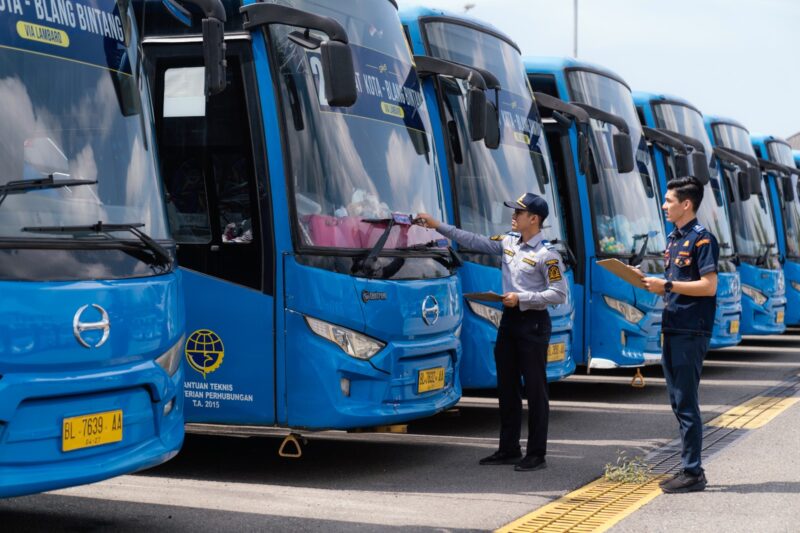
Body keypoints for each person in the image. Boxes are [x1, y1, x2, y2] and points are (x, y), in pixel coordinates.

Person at [416, 193, 567, 472]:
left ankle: (537, 454)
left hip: (533, 323)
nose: (513, 216)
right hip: (509, 322)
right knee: (507, 387)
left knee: (535, 390)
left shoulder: (547, 255)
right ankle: (509, 449)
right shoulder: (509, 241)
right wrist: (437, 225)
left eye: (518, 213)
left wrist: (522, 298)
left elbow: (559, 294)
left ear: (534, 219)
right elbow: (473, 240)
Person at [640, 176, 719, 493]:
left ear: (686, 204)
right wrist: (653, 284)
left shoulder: (702, 240)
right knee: (677, 401)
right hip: (672, 326)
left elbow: (709, 286)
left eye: (668, 201)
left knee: (686, 402)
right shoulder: (674, 239)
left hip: (690, 329)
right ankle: (689, 468)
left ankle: (692, 472)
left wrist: (668, 285)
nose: (663, 206)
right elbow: (675, 286)